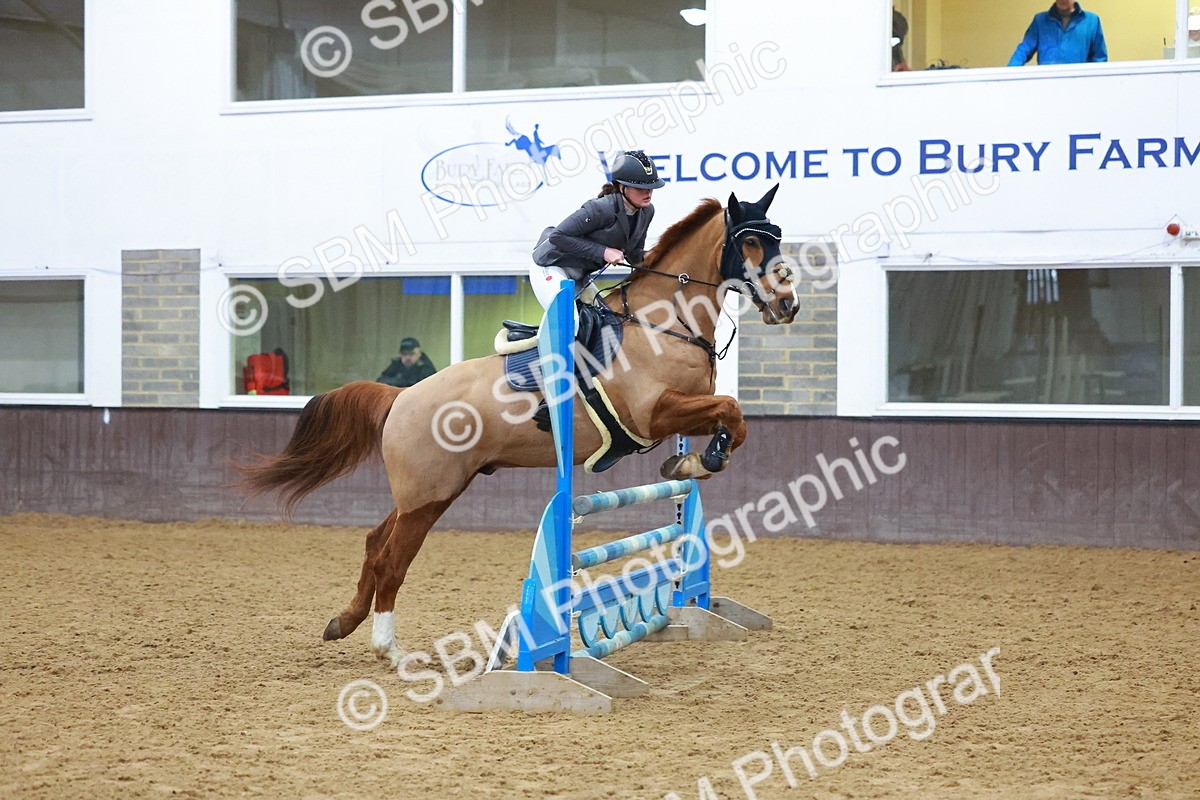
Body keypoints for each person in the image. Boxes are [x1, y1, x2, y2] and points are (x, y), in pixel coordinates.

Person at [530, 149, 664, 323]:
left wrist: (650, 257)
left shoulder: (647, 211)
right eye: (641, 187)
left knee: (608, 321)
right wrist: (603, 252)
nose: (648, 192)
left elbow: (633, 253)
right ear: (622, 187)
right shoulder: (600, 209)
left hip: (579, 276)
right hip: (549, 266)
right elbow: (558, 236)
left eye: (651, 187)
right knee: (571, 322)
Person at [1008, 1, 1107, 67]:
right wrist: (1008, 74)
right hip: (1047, 85)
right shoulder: (1040, 21)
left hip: (1080, 87)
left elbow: (1100, 59)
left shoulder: (1092, 21)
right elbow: (1024, 50)